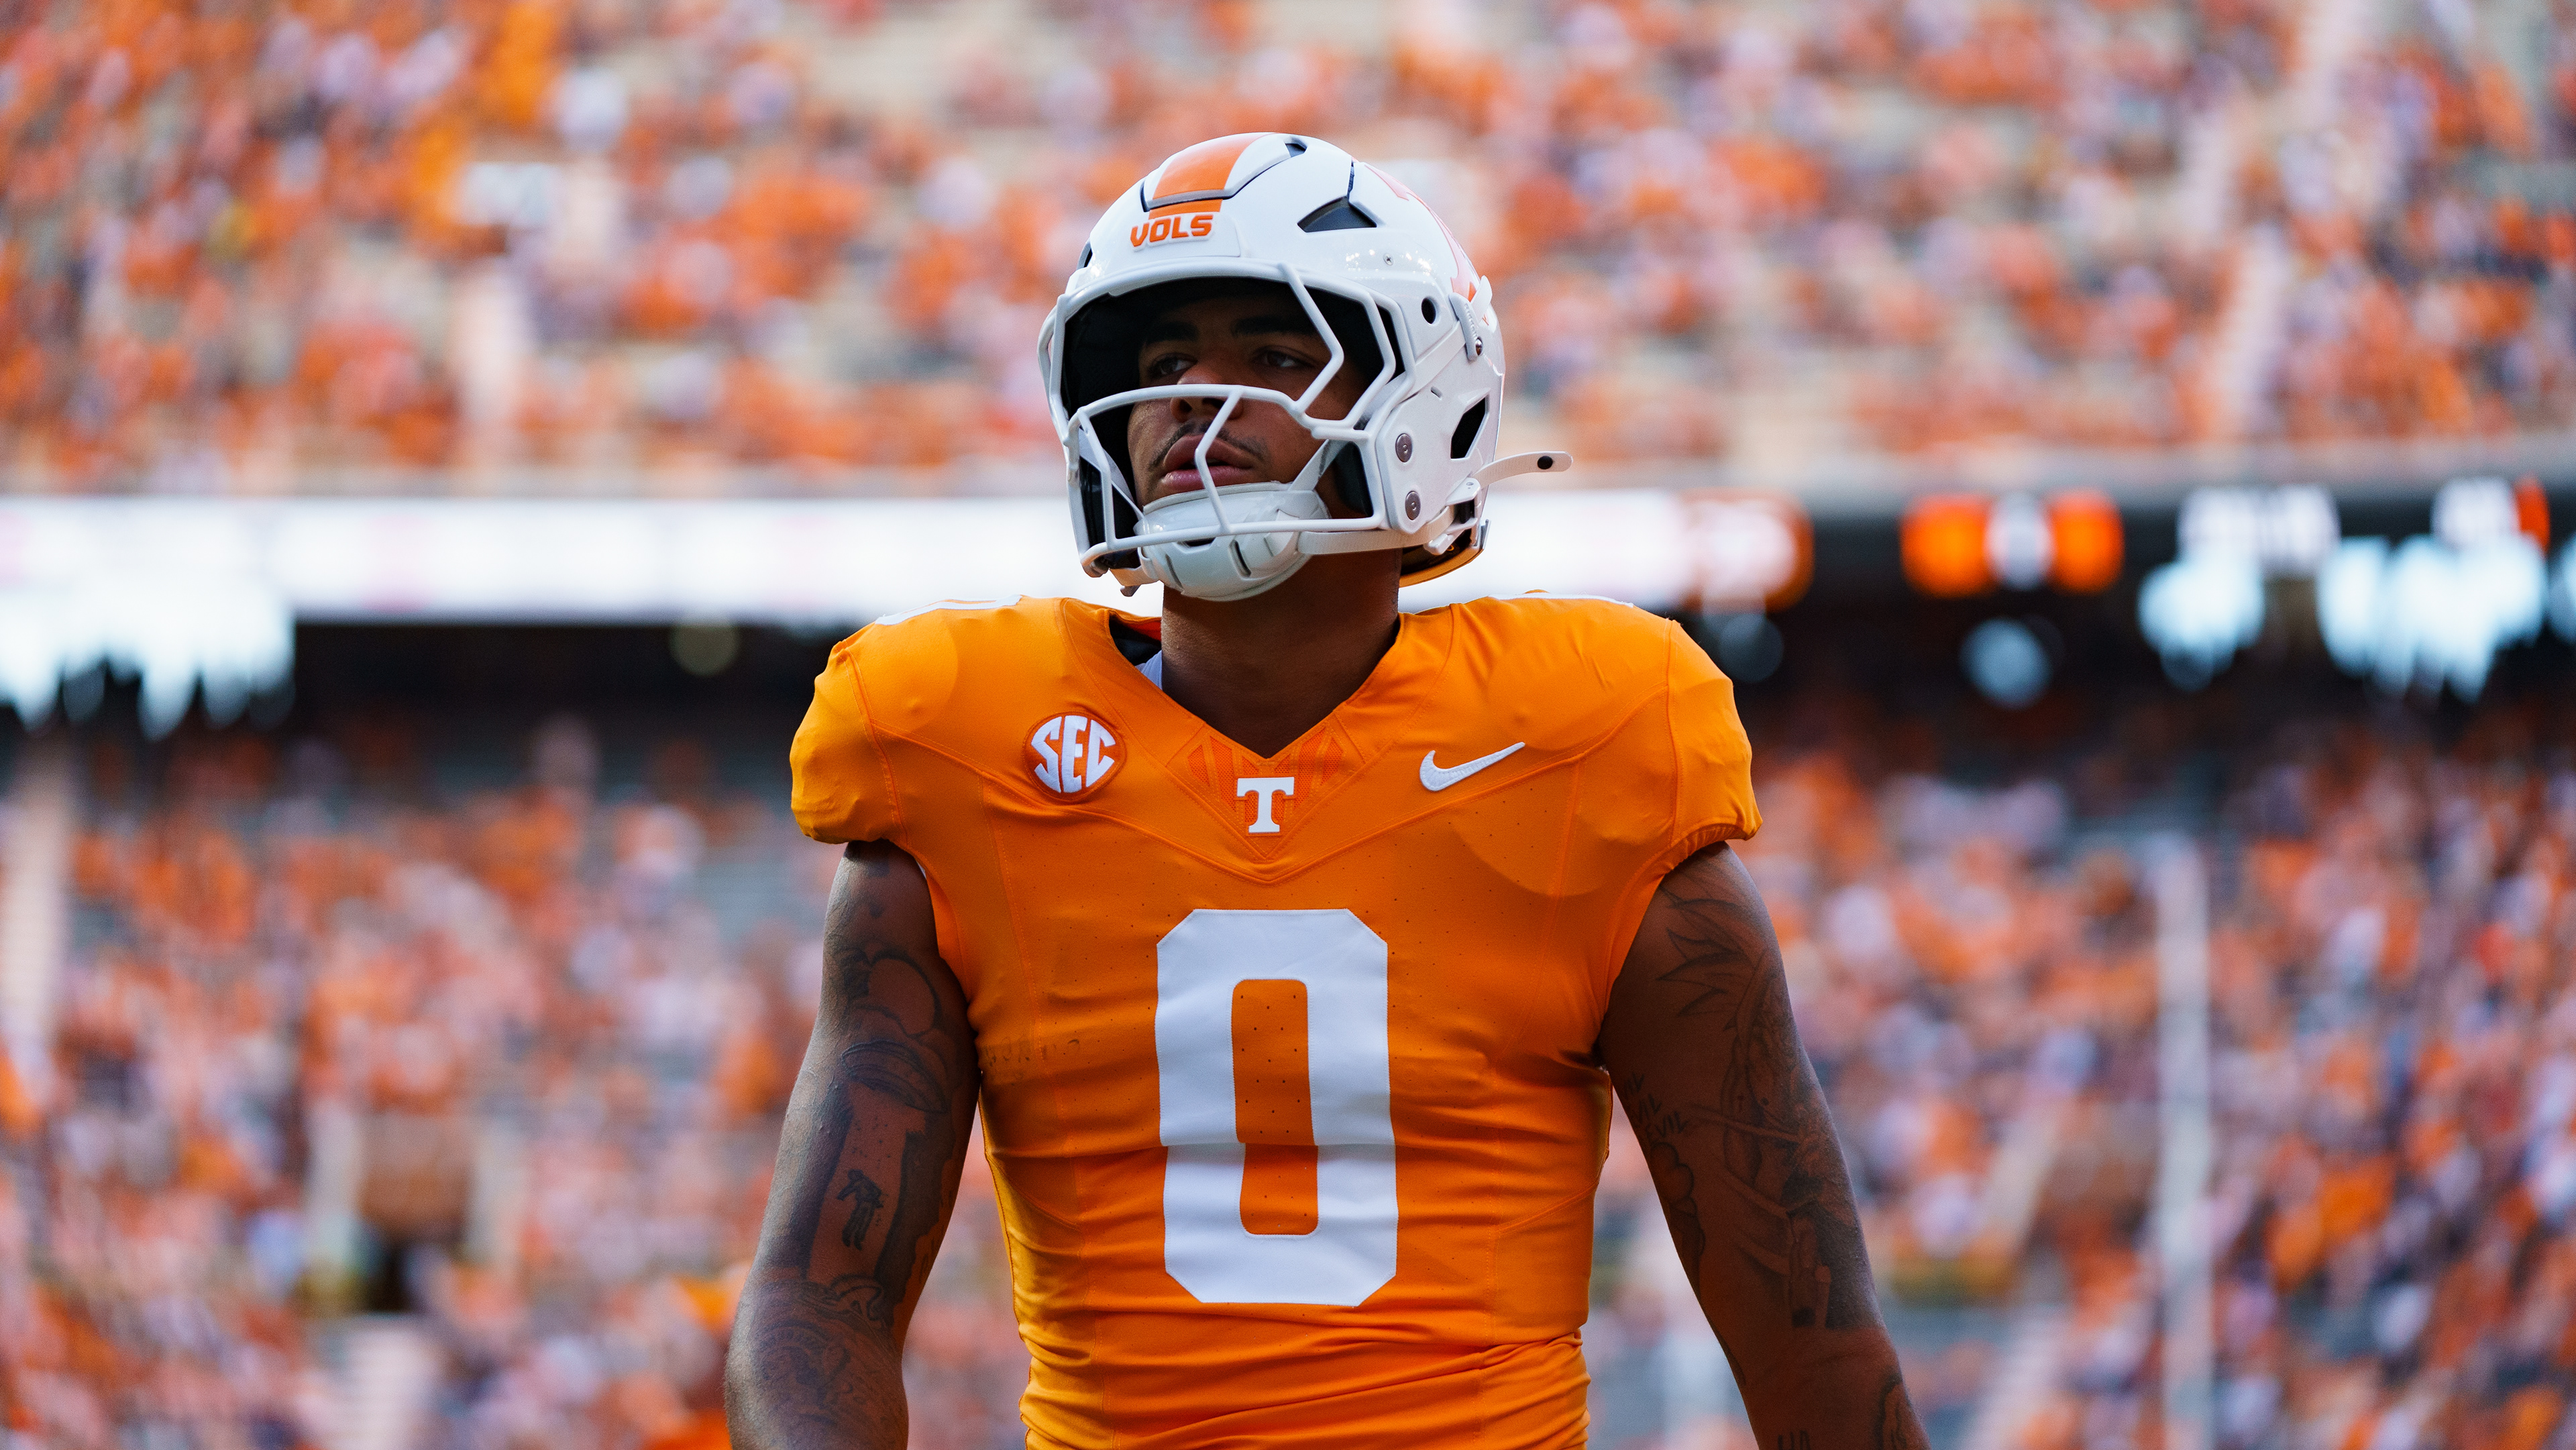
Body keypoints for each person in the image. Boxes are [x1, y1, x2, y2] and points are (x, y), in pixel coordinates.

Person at [728, 133, 1926, 1447]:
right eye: (1163, 364)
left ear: (1421, 388)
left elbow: (1804, 1324)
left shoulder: (1583, 742)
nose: (1196, 398)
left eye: (1273, 351)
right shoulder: (964, 748)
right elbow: (819, 1296)